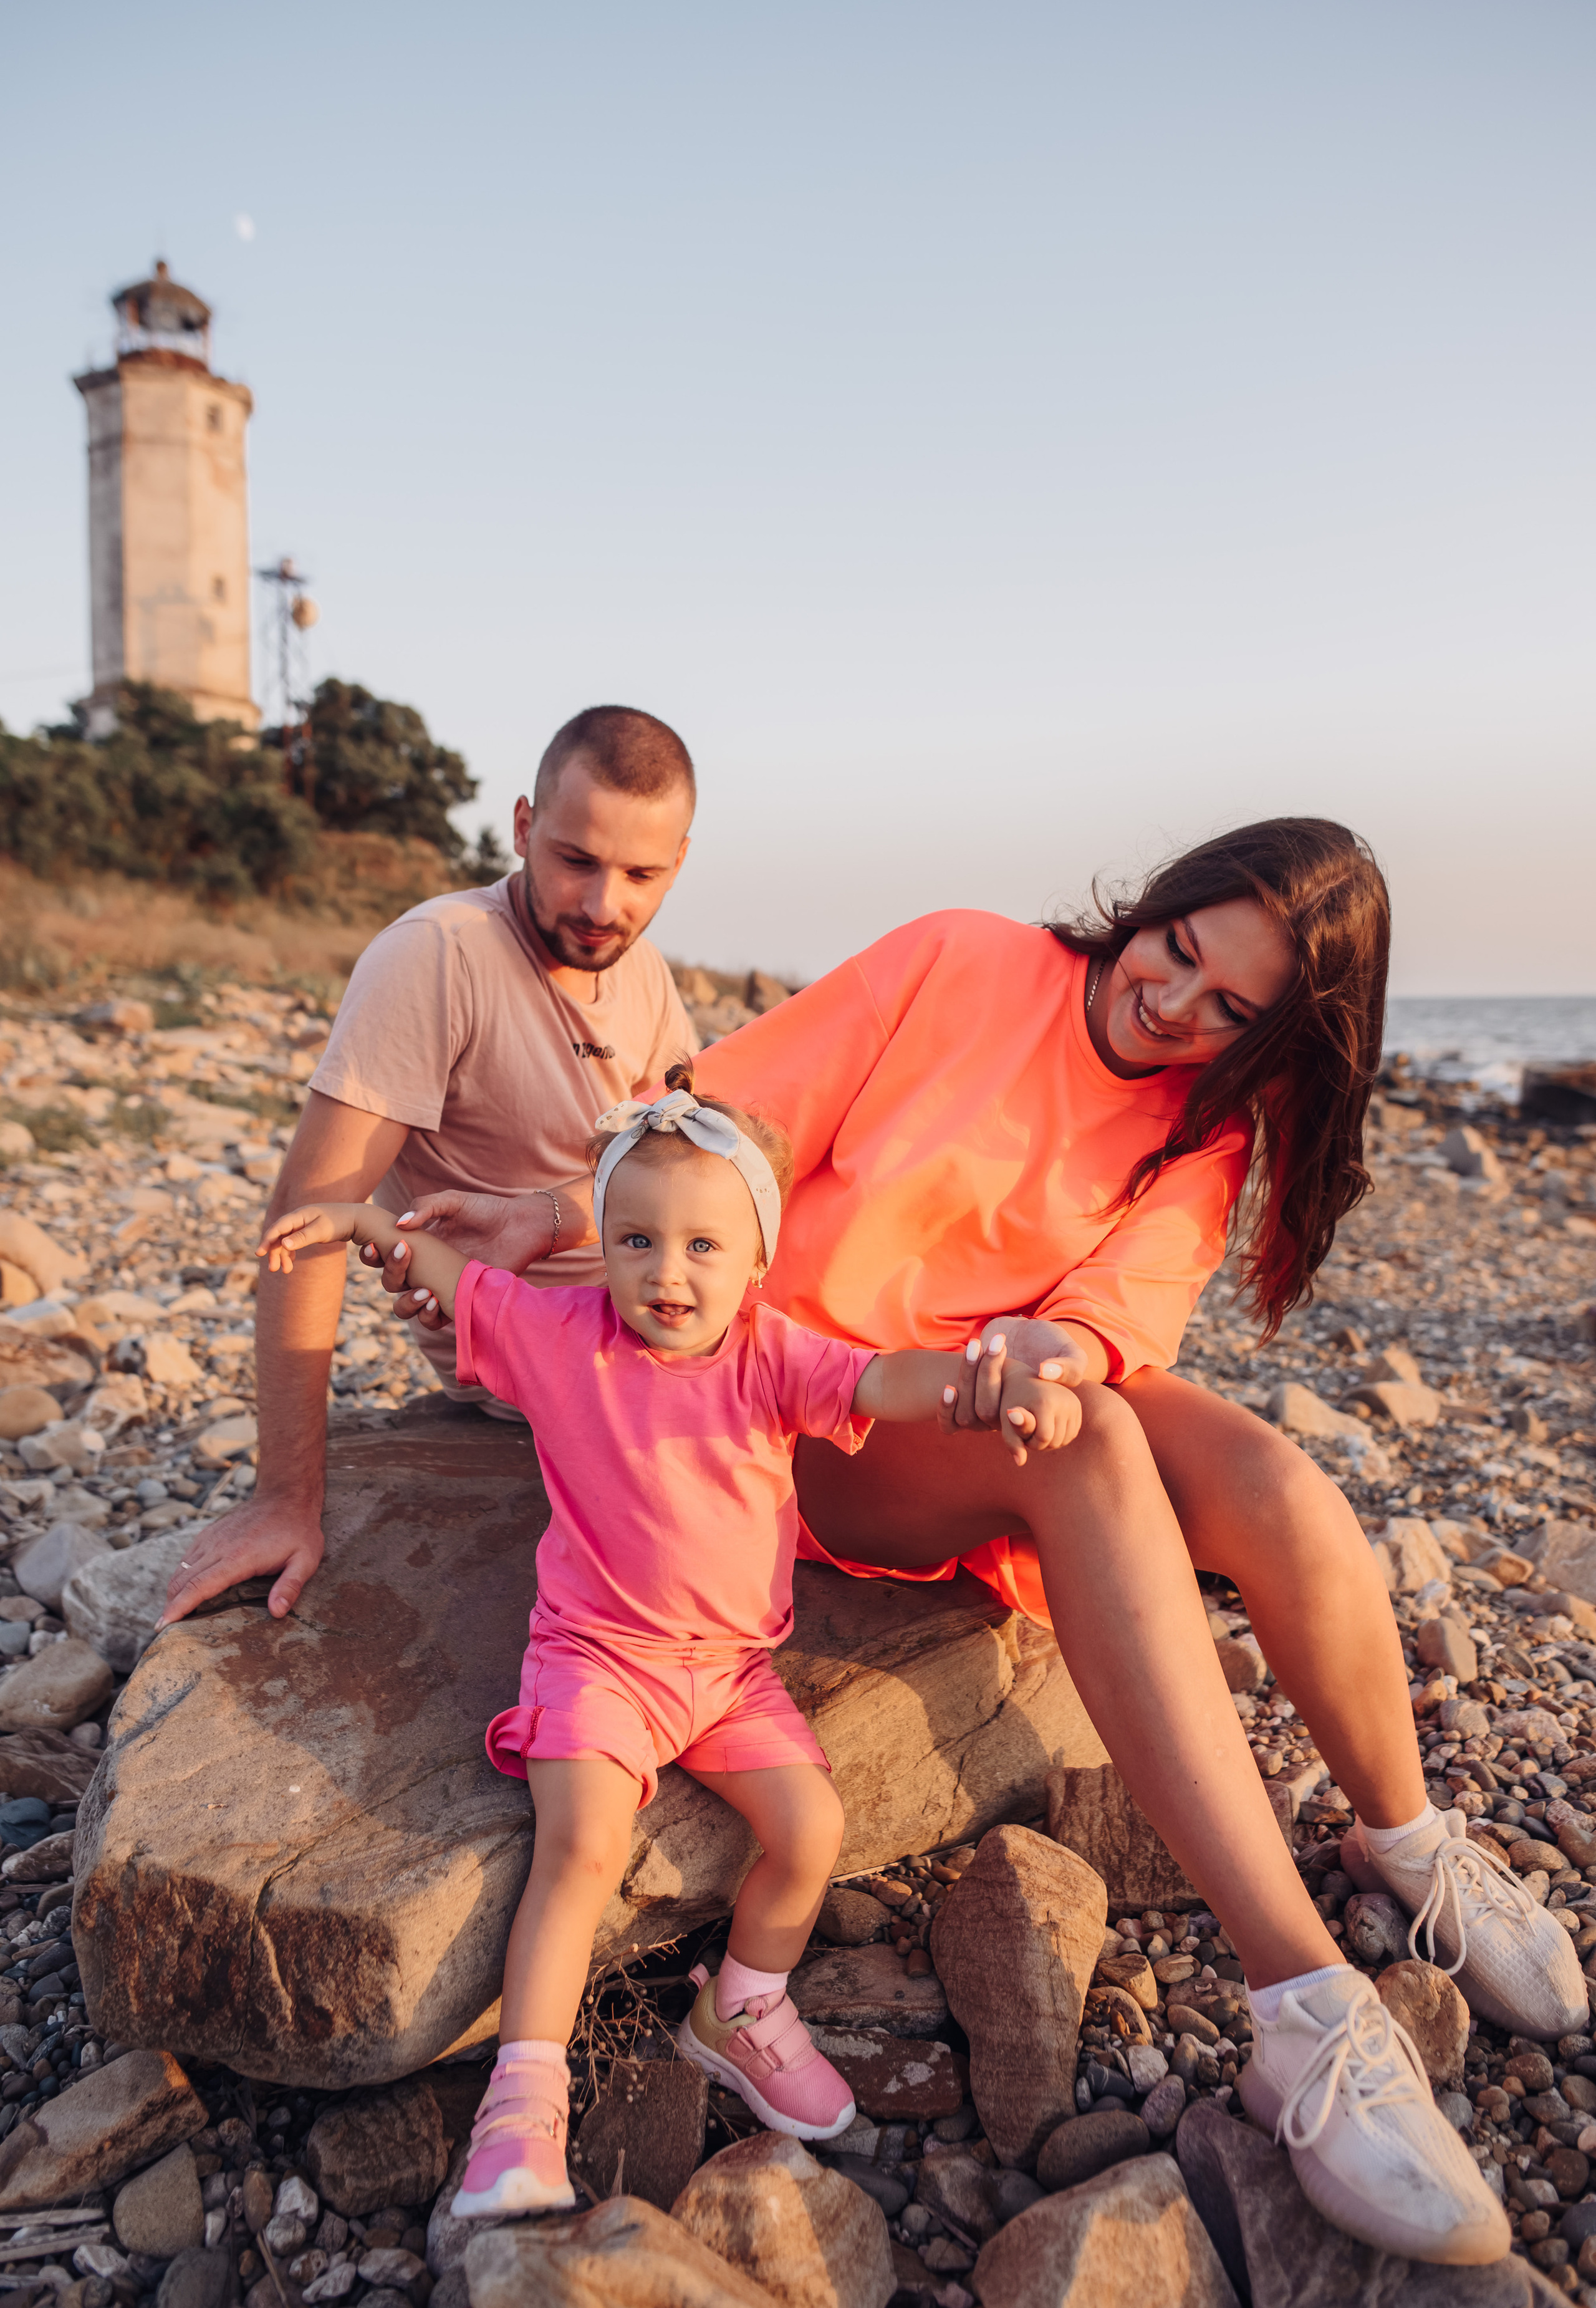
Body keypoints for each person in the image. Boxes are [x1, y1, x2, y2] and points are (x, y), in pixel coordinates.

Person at [382, 818, 1573, 2266]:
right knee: (1094, 1451)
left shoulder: (1201, 1133)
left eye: (1232, 1011)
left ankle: (1408, 1842)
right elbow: (735, 1132)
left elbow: (1108, 1324)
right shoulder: (959, 960)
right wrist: (552, 1219)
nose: (1177, 1006)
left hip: (979, 1398)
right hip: (789, 1408)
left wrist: (1039, 1348)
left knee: (1268, 1479)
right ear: (1154, 904)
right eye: (1178, 950)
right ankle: (1301, 2011)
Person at [257, 1072, 1075, 2217]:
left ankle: (739, 2007)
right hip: (597, 1659)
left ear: (753, 1262)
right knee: (582, 1845)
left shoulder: (771, 1353)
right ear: (605, 1247)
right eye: (635, 1239)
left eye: (702, 1245)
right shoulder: (561, 1335)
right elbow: (462, 1283)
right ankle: (523, 2103)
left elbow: (887, 1377)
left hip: (730, 1673)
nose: (667, 1273)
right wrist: (360, 1224)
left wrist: (992, 1388)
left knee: (811, 1825)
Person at [158, 705, 701, 1635]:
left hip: (662, 1316)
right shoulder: (439, 954)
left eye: (641, 874)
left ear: (678, 861)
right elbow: (307, 1214)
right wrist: (286, 1496)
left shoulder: (642, 971)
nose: (604, 904)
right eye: (575, 859)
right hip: (546, 1364)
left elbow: (686, 1169)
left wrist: (551, 1213)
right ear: (525, 827)